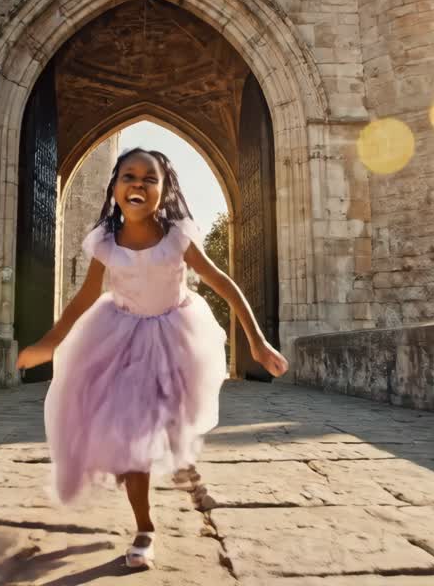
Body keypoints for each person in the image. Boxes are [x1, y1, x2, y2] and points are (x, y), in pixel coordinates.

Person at [16, 147, 289, 569]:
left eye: (150, 178)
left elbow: (224, 284)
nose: (138, 184)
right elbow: (83, 299)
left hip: (176, 336)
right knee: (133, 438)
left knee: (164, 420)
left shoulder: (177, 237)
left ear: (165, 190)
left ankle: (166, 453)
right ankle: (144, 527)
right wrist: (49, 343)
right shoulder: (105, 244)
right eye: (129, 176)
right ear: (114, 187)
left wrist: (257, 341)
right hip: (120, 338)